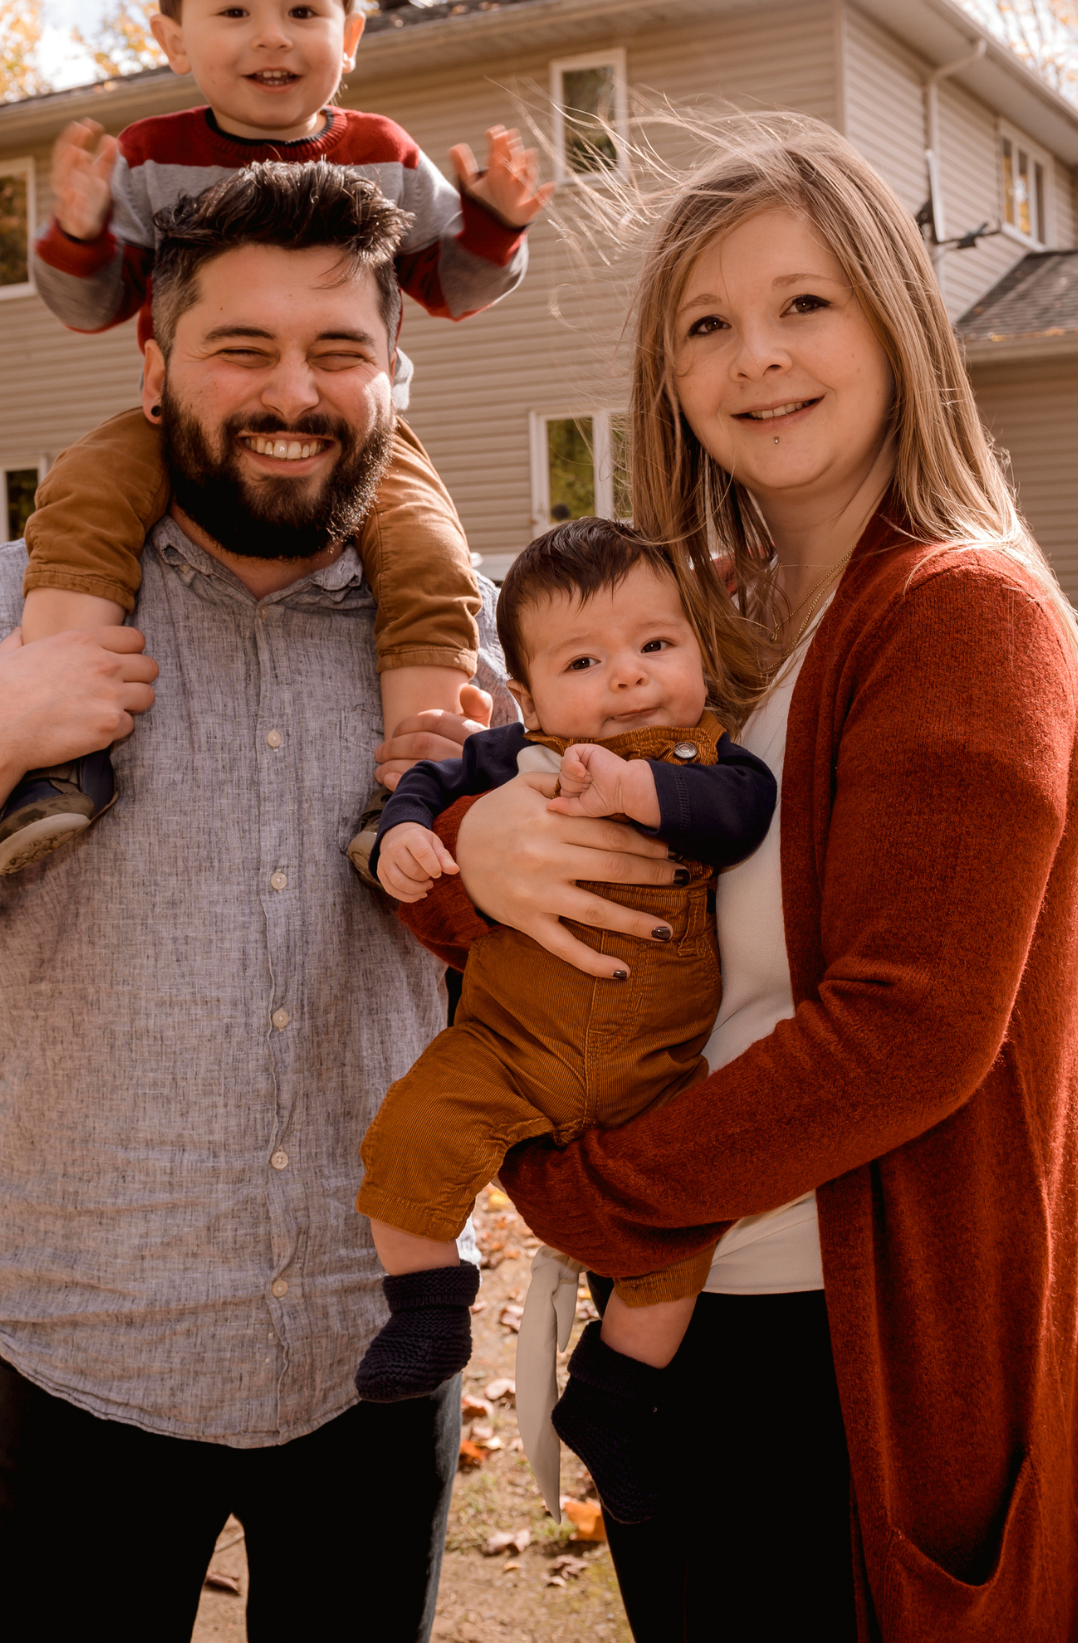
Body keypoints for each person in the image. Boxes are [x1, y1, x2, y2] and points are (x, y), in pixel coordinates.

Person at [406, 125, 1078, 1641]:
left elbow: (904, 1032)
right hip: (699, 1338)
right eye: (707, 324)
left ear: (896, 323)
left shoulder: (958, 614)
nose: (756, 359)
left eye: (804, 306)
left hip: (841, 1358)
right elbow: (514, 854)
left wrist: (583, 1198)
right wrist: (474, 849)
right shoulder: (698, 638)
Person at [0, 160, 508, 1640]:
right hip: (95, 1361)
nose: (290, 394)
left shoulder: (472, 643)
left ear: (394, 374)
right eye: (242, 349)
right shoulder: (3, 614)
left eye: (336, 352)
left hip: (383, 1357)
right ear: (158, 364)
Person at [0, 0, 549, 877]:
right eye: (235, 8)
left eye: (302, 8)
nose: (271, 36)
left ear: (350, 33)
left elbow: (448, 284)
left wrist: (497, 224)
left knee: (428, 552)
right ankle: (58, 754)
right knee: (82, 497)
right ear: (171, 38)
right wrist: (78, 231)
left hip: (360, 445)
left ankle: (418, 787)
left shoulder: (382, 150)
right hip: (181, 426)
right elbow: (93, 303)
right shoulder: (150, 157)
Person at [353, 516, 776, 1525]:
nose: (628, 677)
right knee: (410, 1130)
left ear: (697, 652)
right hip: (509, 1047)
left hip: (657, 1073)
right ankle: (426, 1304)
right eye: (585, 660)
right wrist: (405, 831)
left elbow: (741, 815)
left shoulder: (715, 758)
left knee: (680, 1237)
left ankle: (613, 1393)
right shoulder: (511, 755)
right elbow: (427, 778)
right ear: (529, 696)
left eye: (655, 645)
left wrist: (638, 784)